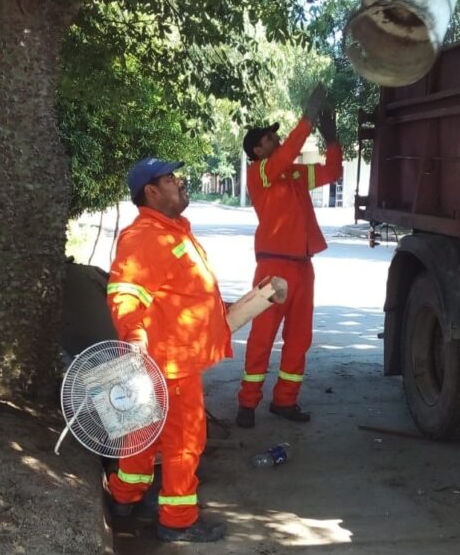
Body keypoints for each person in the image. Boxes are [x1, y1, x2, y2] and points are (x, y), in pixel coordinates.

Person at [105, 157, 231, 543]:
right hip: (168, 362)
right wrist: (135, 337)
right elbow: (124, 294)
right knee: (185, 440)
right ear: (152, 191)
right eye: (171, 179)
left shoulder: (169, 230)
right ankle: (178, 520)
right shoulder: (145, 236)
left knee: (144, 433)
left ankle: (127, 498)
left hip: (163, 360)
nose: (179, 183)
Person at [236, 106, 342, 428]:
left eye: (276, 136)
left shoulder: (292, 173)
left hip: (303, 267)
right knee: (262, 336)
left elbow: (333, 172)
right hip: (274, 269)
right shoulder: (261, 172)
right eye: (270, 138)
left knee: (299, 338)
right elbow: (286, 155)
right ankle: (247, 402)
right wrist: (308, 119)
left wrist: (332, 137)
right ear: (257, 150)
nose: (277, 140)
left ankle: (285, 401)